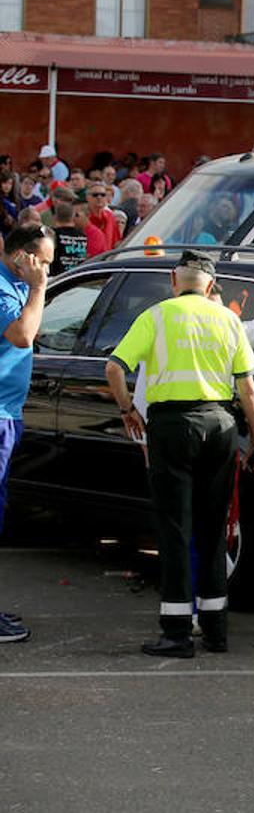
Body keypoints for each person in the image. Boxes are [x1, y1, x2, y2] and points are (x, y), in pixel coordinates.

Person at [104, 250, 254, 658]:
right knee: (214, 531)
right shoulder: (228, 319)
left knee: (175, 529)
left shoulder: (157, 315)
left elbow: (114, 368)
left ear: (174, 282)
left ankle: (176, 631)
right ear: (211, 286)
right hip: (220, 424)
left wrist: (128, 410)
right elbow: (248, 390)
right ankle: (216, 631)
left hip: (172, 426)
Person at [0, 225, 54, 642]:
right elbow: (22, 336)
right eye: (42, 262)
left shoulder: (17, 284)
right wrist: (38, 290)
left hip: (8, 414)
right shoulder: (5, 288)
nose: (46, 271)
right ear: (21, 255)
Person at [49, 203, 88, 277]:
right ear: (73, 216)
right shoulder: (83, 236)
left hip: (57, 279)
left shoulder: (52, 234)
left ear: (55, 217)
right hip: (76, 277)